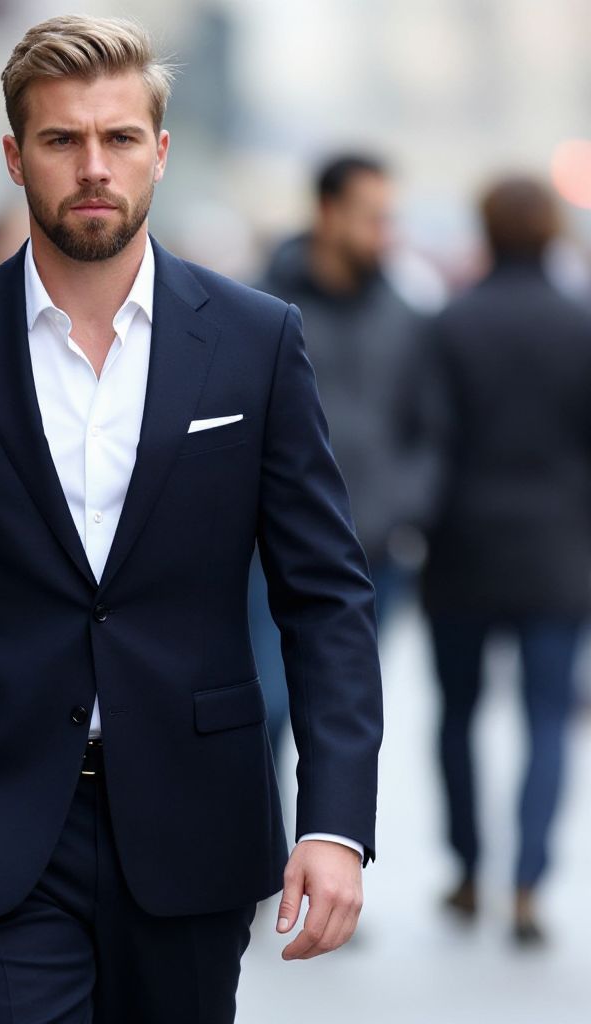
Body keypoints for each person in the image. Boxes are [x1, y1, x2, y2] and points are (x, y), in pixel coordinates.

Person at [0, 17, 383, 1024]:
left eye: (118, 139)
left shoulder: (253, 342)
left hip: (193, 819)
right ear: (15, 156)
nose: (93, 166)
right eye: (63, 140)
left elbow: (325, 597)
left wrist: (336, 821)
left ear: (159, 152)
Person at [420, 176, 591, 946]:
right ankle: (527, 880)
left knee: (456, 712)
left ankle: (466, 868)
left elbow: (427, 434)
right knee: (548, 718)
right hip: (560, 549)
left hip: (462, 545)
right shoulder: (580, 323)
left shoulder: (451, 323)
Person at [253, 154, 429, 764]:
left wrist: (403, 510)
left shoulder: (405, 317)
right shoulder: (262, 307)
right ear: (328, 212)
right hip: (270, 552)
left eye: (390, 218)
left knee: (344, 713)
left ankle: (329, 844)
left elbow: (429, 430)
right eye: (371, 217)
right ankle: (261, 850)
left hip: (375, 552)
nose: (385, 234)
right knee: (267, 705)